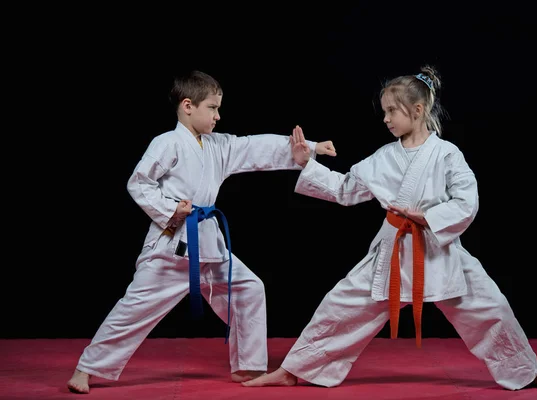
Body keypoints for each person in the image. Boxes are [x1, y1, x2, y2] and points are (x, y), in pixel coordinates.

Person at [242, 66, 537, 393]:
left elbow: (467, 200)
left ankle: (530, 373)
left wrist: (427, 217)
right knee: (339, 306)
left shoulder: (446, 154)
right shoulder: (384, 158)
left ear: (418, 110)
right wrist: (306, 164)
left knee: (492, 307)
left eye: (392, 111)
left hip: (441, 251)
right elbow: (345, 190)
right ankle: (293, 370)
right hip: (393, 253)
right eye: (384, 112)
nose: (385, 119)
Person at [66, 70, 337, 394]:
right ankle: (87, 368)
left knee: (249, 289)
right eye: (212, 108)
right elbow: (139, 182)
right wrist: (170, 209)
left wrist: (310, 148)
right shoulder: (166, 143)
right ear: (188, 106)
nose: (218, 116)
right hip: (173, 246)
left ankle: (247, 364)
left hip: (209, 246)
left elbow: (252, 148)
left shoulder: (217, 145)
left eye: (219, 108)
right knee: (133, 308)